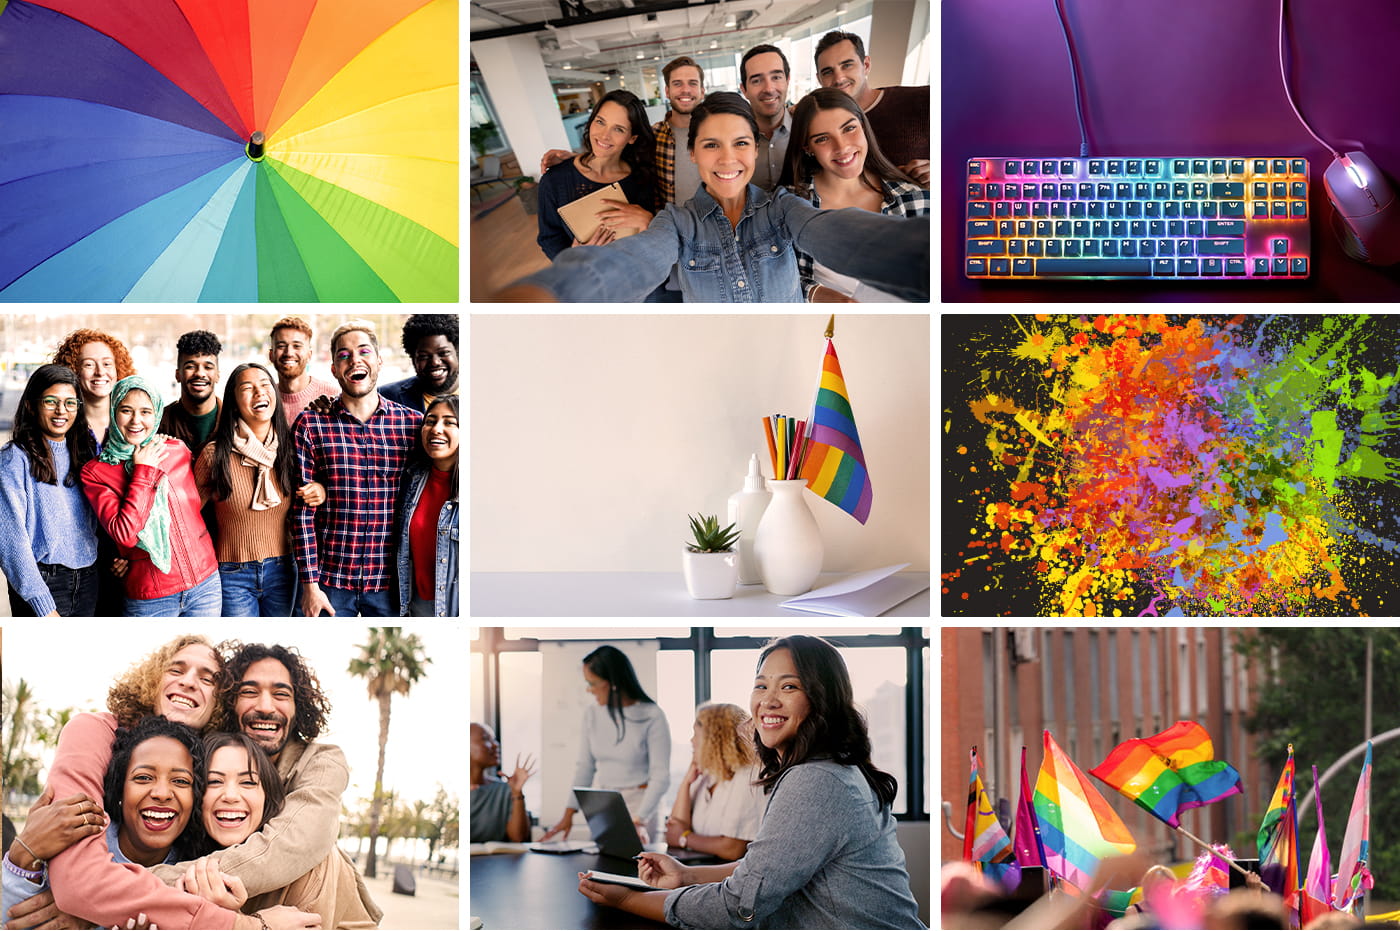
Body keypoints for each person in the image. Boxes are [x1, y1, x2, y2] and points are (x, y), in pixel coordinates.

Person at [577, 634, 925, 929]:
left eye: (789, 686)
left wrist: (626, 899)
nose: (767, 701)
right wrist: (687, 876)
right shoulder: (825, 769)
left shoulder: (815, 781)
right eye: (761, 686)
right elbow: (767, 868)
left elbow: (738, 907)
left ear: (821, 700)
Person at [2, 635, 318, 930]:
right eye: (175, 669)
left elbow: (88, 894)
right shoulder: (97, 732)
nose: (188, 681)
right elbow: (79, 884)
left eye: (207, 678)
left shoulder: (209, 776)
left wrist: (109, 908)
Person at [502, 93, 929, 302]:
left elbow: (839, 235)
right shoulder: (674, 221)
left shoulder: (783, 207)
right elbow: (636, 260)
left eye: (741, 143)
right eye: (711, 145)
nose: (728, 159)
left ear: (756, 149)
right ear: (692, 153)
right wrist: (555, 291)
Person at [143, 643, 366, 921]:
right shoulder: (210, 753)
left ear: (299, 707)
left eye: (281, 694)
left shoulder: (321, 761)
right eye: (249, 692)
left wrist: (128, 886)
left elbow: (288, 847)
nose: (264, 707)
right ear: (229, 703)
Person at [2, 716, 209, 922]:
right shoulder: (79, 841)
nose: (162, 793)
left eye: (181, 781)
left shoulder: (197, 870)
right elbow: (11, 919)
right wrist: (22, 856)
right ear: (119, 791)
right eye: (143, 777)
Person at [292, 321, 421, 617]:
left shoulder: (413, 425)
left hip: (391, 584)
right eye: (344, 355)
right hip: (330, 582)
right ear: (335, 369)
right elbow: (302, 512)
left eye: (364, 352)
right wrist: (311, 585)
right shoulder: (311, 424)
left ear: (379, 361)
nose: (355, 360)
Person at [188, 731, 382, 928]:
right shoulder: (184, 854)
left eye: (247, 782)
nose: (230, 795)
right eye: (214, 781)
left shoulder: (310, 870)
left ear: (267, 796)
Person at [80, 375, 221, 616]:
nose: (136, 420)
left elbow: (199, 505)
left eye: (146, 412)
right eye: (126, 410)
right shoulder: (96, 472)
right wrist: (143, 471)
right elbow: (124, 534)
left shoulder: (176, 450)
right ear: (113, 412)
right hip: (151, 596)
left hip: (205, 584)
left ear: (156, 415)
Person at [195, 363, 323, 617]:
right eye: (247, 388)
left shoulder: (292, 448)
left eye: (265, 385)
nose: (259, 392)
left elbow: (316, 488)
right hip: (232, 573)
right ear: (233, 400)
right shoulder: (214, 454)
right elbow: (185, 515)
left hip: (284, 569)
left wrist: (320, 489)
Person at [784, 88, 931, 302]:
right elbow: (779, 279)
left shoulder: (916, 199)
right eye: (823, 138)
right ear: (807, 147)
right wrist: (815, 294)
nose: (842, 147)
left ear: (863, 126)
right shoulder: (789, 204)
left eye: (849, 128)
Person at [542, 645, 671, 842]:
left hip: (643, 804)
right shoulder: (592, 714)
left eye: (593, 683)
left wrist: (640, 820)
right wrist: (568, 815)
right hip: (607, 805)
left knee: (644, 868)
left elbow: (660, 775)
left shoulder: (652, 715)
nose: (588, 689)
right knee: (605, 864)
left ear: (613, 683)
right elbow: (585, 768)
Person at [0, 364, 100, 616]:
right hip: (44, 582)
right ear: (32, 406)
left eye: (70, 403)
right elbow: (11, 543)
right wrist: (42, 603)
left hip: (88, 579)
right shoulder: (15, 459)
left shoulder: (84, 453)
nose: (61, 411)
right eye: (51, 401)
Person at [536, 90, 658, 260]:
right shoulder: (554, 180)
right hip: (590, 277)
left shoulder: (642, 177)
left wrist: (649, 221)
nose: (604, 135)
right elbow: (549, 238)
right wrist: (573, 257)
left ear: (632, 138)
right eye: (600, 122)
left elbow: (652, 239)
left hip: (637, 274)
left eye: (619, 129)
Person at [814, 31, 930, 186]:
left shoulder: (923, 99)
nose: (839, 78)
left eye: (847, 65)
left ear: (866, 65)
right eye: (828, 72)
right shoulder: (818, 123)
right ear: (819, 79)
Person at [663, 703, 766, 861]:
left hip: (724, 875)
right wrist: (686, 784)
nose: (692, 741)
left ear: (715, 740)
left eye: (696, 734)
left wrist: (684, 838)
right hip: (700, 867)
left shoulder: (748, 777)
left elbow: (732, 849)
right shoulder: (707, 776)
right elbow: (675, 826)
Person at [395, 395, 459, 616]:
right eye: (430, 421)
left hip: (455, 609)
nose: (436, 429)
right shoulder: (412, 479)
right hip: (416, 606)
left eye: (450, 422)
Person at [51, 328, 136, 452]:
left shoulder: (134, 423)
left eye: (107, 364)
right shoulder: (60, 423)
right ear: (74, 370)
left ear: (118, 369)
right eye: (89, 364)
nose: (100, 372)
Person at [653, 56, 707, 210]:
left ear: (702, 92)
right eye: (677, 84)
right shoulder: (653, 136)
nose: (685, 90)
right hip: (672, 226)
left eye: (693, 83)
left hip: (715, 224)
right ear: (667, 92)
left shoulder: (720, 132)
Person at [739, 45, 794, 192]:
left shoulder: (809, 128)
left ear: (787, 80)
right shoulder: (733, 139)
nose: (769, 89)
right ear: (744, 90)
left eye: (776, 77)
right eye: (757, 80)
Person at [379, 314, 460, 414]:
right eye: (423, 356)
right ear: (413, 359)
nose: (435, 362)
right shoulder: (384, 397)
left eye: (443, 353)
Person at [470, 723, 537, 843]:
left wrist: (517, 792)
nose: (496, 745)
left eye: (494, 739)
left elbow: (518, 838)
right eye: (486, 739)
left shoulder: (505, 789)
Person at [160, 330, 223, 453]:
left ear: (217, 375)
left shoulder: (235, 422)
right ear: (178, 375)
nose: (199, 373)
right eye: (190, 366)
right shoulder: (159, 423)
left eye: (208, 367)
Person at [267, 317, 340, 423]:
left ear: (309, 355)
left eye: (297, 346)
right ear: (271, 355)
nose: (289, 353)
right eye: (281, 346)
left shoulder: (332, 396)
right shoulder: (265, 400)